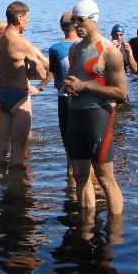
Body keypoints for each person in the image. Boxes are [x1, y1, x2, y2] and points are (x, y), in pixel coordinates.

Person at [63, 0, 128, 216]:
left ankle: (115, 229)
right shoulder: (74, 49)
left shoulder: (109, 51)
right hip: (76, 117)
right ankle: (86, 226)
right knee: (79, 175)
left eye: (80, 20)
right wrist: (70, 87)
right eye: (73, 20)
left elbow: (122, 93)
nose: (76, 25)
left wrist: (86, 86)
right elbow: (74, 79)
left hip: (98, 117)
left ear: (94, 19)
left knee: (104, 177)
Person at [0, 1, 47, 168]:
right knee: (18, 151)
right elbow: (42, 73)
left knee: (1, 149)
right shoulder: (23, 43)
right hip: (19, 97)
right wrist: (36, 81)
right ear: (19, 18)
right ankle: (16, 184)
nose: (27, 24)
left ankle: (0, 183)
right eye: (27, 20)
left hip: (2, 95)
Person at [47, 10, 79, 183]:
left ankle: (71, 186)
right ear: (77, 24)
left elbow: (57, 81)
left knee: (69, 147)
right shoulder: (88, 45)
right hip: (87, 98)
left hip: (65, 99)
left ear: (61, 27)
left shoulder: (55, 49)